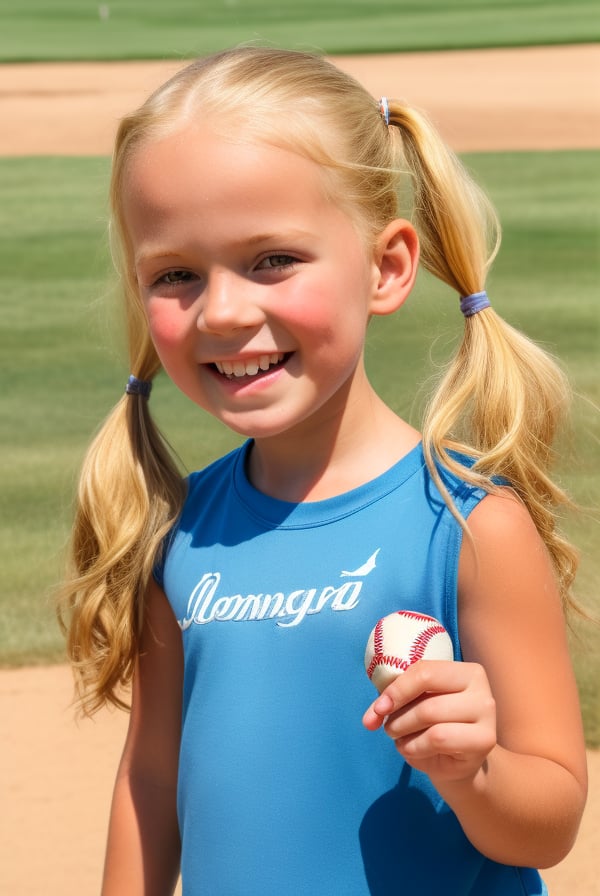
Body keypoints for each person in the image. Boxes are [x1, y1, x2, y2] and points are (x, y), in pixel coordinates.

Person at [58, 46, 588, 895]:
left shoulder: (467, 525)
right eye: (176, 275)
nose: (225, 310)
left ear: (387, 267)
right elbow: (150, 786)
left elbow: (553, 816)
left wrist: (473, 769)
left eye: (272, 259)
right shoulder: (181, 534)